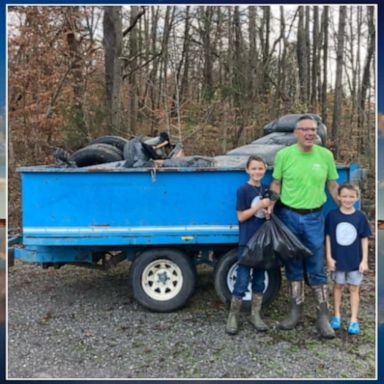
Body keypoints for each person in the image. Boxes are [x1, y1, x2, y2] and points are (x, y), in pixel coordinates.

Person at [269, 114, 339, 338]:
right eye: (306, 129)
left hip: (314, 218)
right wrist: (269, 204)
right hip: (288, 216)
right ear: (295, 133)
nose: (311, 133)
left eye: (313, 129)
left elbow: (333, 185)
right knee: (293, 265)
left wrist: (346, 209)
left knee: (316, 265)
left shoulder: (326, 155)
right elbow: (277, 183)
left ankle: (322, 315)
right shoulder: (284, 155)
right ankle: (295, 311)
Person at [226, 155, 274, 335]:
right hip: (247, 241)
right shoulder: (243, 190)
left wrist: (268, 210)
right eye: (253, 168)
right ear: (247, 170)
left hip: (264, 242)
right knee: (242, 279)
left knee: (260, 279)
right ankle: (233, 317)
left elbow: (269, 214)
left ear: (265, 170)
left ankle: (256, 315)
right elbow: (241, 217)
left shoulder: (267, 188)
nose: (257, 172)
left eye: (260, 168)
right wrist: (258, 206)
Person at [325, 183, 371, 335]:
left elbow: (364, 239)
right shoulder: (332, 216)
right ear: (338, 197)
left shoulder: (360, 217)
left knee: (354, 288)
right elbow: (328, 237)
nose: (347, 199)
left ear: (357, 198)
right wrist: (329, 257)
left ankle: (353, 319)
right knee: (338, 286)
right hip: (338, 260)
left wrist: (364, 260)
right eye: (344, 196)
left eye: (351, 197)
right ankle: (337, 316)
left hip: (355, 261)